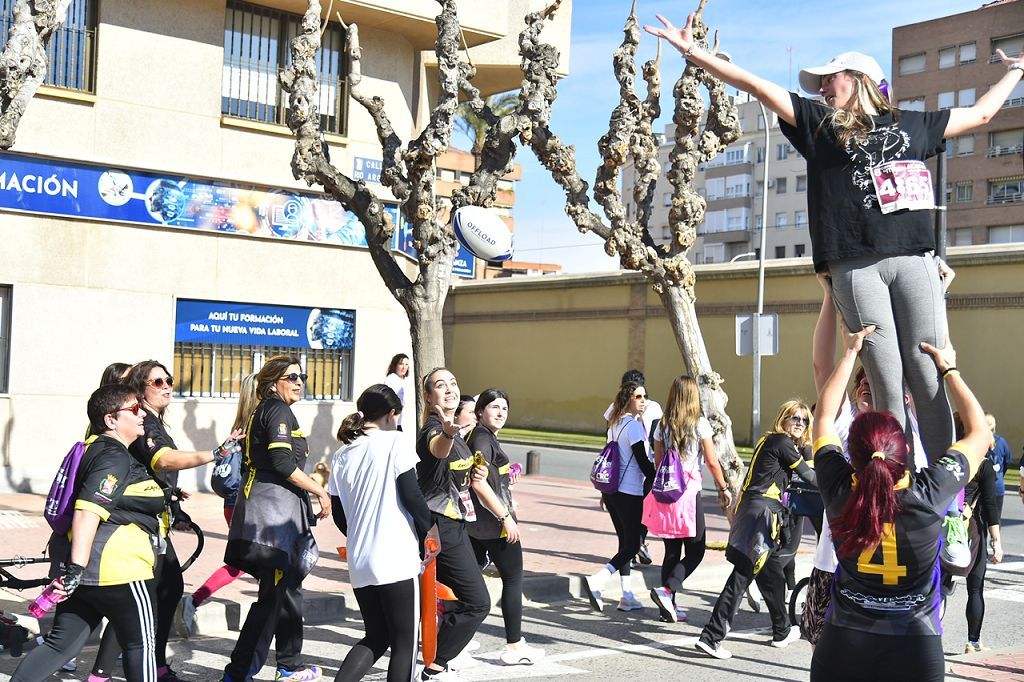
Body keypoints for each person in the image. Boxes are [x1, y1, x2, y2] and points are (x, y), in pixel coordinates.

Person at [645, 13, 1024, 473]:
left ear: (861, 79)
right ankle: (896, 483)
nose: (821, 88)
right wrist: (694, 53)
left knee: (928, 372)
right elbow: (758, 86)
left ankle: (946, 484)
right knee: (884, 380)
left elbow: (983, 114)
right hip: (855, 266)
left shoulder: (916, 124)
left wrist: (1016, 69)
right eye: (819, 83)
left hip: (914, 259)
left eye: (830, 79)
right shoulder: (818, 124)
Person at [809, 324, 992, 682]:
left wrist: (849, 354)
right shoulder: (930, 492)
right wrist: (948, 370)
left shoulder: (838, 487)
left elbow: (823, 418)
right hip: (914, 647)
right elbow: (980, 433)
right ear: (905, 450)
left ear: (854, 454)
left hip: (843, 643)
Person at [91, 361, 241, 682]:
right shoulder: (147, 424)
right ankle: (117, 671)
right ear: (141, 388)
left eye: (169, 380)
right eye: (157, 382)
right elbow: (163, 459)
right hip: (134, 528)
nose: (167, 386)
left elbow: (153, 470)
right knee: (146, 599)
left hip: (150, 523)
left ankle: (142, 665)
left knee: (165, 589)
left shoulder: (150, 421)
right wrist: (215, 453)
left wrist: (173, 498)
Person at [801, 274, 928, 647]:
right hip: (839, 566)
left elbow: (926, 363)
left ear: (905, 395)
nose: (867, 385)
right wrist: (828, 297)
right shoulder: (846, 427)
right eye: (861, 381)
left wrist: (934, 296)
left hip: (905, 576)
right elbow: (823, 370)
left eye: (878, 380)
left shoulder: (909, 429)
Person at [12, 385, 164, 682]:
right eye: (134, 409)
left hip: (87, 572)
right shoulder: (113, 456)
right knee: (141, 645)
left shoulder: (95, 448)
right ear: (111, 420)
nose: (142, 413)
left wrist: (75, 571)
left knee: (60, 646)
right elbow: (87, 511)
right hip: (119, 570)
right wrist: (75, 570)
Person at [223, 355, 331, 682]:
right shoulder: (277, 409)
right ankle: (238, 672)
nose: (300, 382)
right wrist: (320, 491)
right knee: (271, 599)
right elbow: (282, 464)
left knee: (288, 592)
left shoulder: (270, 409)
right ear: (273, 383)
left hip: (277, 518)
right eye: (292, 377)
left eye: (303, 377)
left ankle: (289, 665)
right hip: (271, 521)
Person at [695, 401, 816, 659]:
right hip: (762, 514)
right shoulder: (783, 443)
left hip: (752, 510)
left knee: (770, 571)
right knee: (742, 576)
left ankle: (782, 629)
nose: (800, 423)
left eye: (805, 420)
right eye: (795, 417)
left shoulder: (769, 440)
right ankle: (711, 636)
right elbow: (810, 476)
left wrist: (805, 441)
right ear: (783, 418)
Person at [329, 384, 434, 682]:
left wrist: (363, 534)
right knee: (405, 644)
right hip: (395, 557)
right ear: (392, 414)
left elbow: (340, 515)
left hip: (360, 559)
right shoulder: (395, 442)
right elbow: (412, 496)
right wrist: (432, 529)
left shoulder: (342, 453)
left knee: (376, 636)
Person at [416, 368, 490, 681]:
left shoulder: (457, 430)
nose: (449, 390)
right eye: (440, 386)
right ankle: (435, 666)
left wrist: (478, 476)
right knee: (477, 602)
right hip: (440, 526)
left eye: (453, 384)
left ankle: (435, 653)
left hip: (455, 524)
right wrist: (447, 433)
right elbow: (436, 449)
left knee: (460, 598)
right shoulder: (434, 428)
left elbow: (454, 474)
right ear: (428, 396)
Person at [176, 372, 259, 639]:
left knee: (250, 562)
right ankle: (194, 601)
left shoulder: (239, 426)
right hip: (248, 505)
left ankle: (271, 616)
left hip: (232, 503)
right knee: (248, 564)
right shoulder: (259, 426)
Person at [465, 389, 544, 665]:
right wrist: (505, 517)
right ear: (480, 411)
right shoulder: (482, 439)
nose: (501, 413)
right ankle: (513, 646)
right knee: (512, 580)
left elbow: (487, 476)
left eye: (505, 409)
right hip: (493, 526)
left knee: (468, 583)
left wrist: (507, 475)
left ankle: (455, 642)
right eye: (494, 407)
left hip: (477, 525)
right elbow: (477, 482)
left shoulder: (482, 436)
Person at [643, 375, 731, 623]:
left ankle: (667, 608)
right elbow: (712, 461)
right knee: (696, 550)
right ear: (693, 396)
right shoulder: (700, 424)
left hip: (666, 492)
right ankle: (667, 591)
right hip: (689, 494)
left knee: (671, 551)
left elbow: (659, 462)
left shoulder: (663, 425)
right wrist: (723, 487)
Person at [581, 381, 655, 614]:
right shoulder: (632, 427)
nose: (643, 400)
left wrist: (604, 493)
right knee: (633, 544)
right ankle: (598, 581)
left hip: (612, 492)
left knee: (625, 543)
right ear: (627, 399)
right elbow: (643, 462)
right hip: (629, 491)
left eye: (644, 396)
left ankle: (627, 595)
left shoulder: (614, 425)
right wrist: (658, 479)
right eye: (638, 397)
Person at [944, 414, 1003, 654]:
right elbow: (990, 505)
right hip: (971, 529)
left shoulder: (945, 458)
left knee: (937, 585)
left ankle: (926, 635)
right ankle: (973, 642)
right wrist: (997, 542)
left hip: (942, 528)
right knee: (975, 588)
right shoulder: (982, 464)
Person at [985, 414, 1012, 520]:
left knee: (979, 519)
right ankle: (995, 536)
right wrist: (1000, 474)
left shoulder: (977, 441)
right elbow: (1007, 461)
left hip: (980, 486)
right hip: (997, 484)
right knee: (995, 518)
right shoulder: (1001, 442)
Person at [384, 353, 411, 431]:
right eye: (401, 364)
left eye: (406, 364)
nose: (404, 367)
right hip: (393, 422)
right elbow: (389, 401)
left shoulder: (401, 380)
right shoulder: (391, 379)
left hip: (399, 421)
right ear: (395, 365)